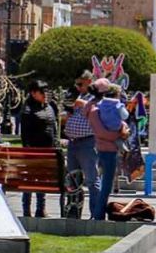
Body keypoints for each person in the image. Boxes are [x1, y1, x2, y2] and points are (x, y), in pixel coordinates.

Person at [87, 80, 130, 220]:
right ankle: (98, 214)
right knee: (106, 184)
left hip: (105, 149)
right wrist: (121, 132)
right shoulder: (95, 110)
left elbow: (121, 122)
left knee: (105, 182)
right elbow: (102, 133)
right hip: (107, 150)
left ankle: (98, 213)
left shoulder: (99, 108)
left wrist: (123, 128)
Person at [18, 80, 60, 219]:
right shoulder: (28, 110)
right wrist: (28, 151)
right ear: (33, 93)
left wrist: (55, 145)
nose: (45, 94)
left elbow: (53, 128)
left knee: (42, 180)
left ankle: (41, 209)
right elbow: (25, 134)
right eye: (42, 91)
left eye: (47, 91)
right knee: (30, 180)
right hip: (33, 151)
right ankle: (26, 210)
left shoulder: (49, 107)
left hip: (47, 150)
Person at [62, 72, 99, 217]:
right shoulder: (77, 96)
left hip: (88, 142)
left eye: (80, 84)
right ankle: (73, 212)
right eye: (76, 84)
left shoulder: (95, 97)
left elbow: (98, 112)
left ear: (89, 81)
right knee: (73, 179)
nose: (77, 87)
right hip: (73, 142)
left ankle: (96, 213)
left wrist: (82, 104)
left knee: (91, 179)